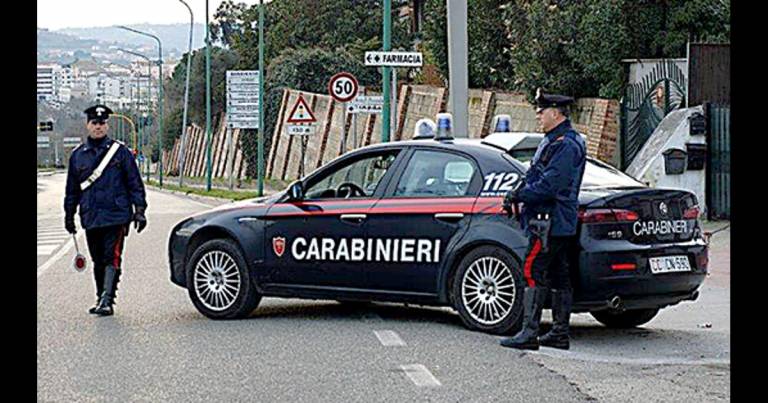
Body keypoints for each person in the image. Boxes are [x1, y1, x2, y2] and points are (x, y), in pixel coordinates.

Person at [500, 89, 586, 350]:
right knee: (559, 274)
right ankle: (559, 333)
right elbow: (536, 174)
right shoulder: (557, 139)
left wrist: (520, 195)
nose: (538, 115)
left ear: (556, 113)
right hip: (554, 220)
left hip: (548, 220)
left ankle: (529, 332)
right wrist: (517, 192)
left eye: (542, 110)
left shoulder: (564, 144)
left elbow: (550, 184)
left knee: (532, 270)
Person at [64, 104, 148, 316]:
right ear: (88, 125)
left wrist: (139, 210)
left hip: (116, 215)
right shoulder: (78, 156)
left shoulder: (120, 153)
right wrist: (69, 215)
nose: (98, 127)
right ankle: (100, 296)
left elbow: (134, 182)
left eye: (102, 123)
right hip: (91, 215)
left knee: (112, 256)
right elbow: (72, 190)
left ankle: (107, 300)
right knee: (97, 259)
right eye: (94, 123)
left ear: (107, 125)